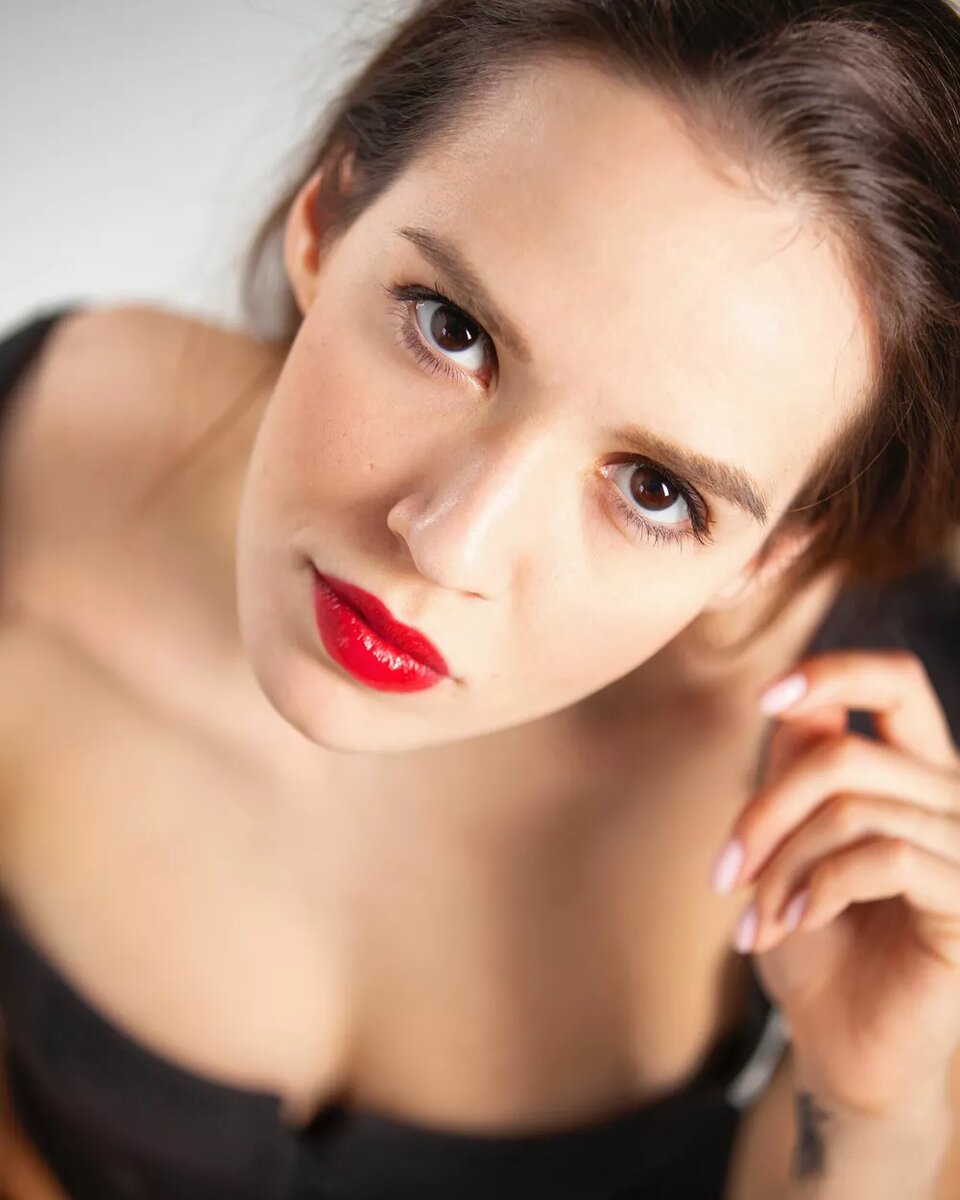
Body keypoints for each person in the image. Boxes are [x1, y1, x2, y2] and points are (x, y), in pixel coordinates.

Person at [2, 1, 960, 1197]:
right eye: (450, 330)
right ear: (326, 221)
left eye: (656, 491)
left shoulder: (904, 797)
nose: (451, 545)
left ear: (770, 553)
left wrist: (873, 1113)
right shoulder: (27, 482)